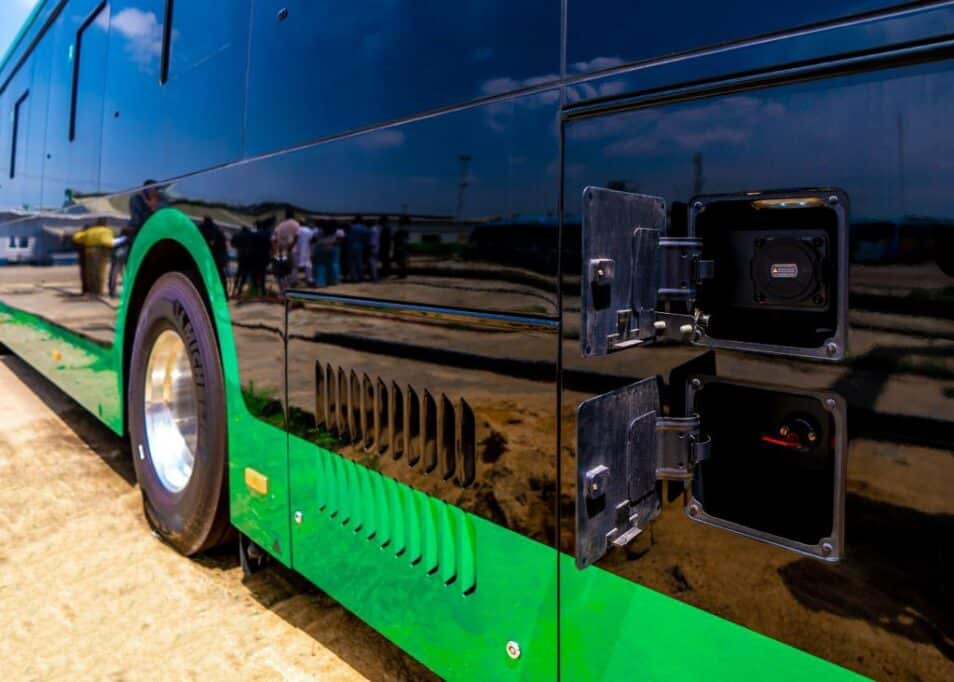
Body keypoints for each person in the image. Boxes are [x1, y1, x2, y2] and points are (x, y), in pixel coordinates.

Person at [110, 180, 161, 297]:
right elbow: (137, 220)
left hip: (147, 237)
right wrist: (151, 208)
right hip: (136, 239)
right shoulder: (136, 199)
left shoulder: (160, 199)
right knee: (126, 267)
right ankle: (121, 291)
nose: (154, 192)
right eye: (152, 189)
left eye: (155, 190)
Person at [72, 221, 114, 296]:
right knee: (100, 272)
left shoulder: (89, 231)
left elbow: (76, 238)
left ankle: (91, 290)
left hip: (89, 251)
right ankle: (98, 291)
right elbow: (108, 242)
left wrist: (82, 232)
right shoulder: (107, 230)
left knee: (90, 272)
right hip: (102, 251)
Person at [271, 209, 300, 293]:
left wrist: (274, 250)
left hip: (280, 251)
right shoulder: (296, 224)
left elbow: (273, 239)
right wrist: (290, 247)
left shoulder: (280, 225)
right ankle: (290, 290)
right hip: (290, 251)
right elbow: (297, 237)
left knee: (280, 272)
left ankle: (282, 290)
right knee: (291, 269)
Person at [198, 216, 229, 291]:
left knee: (205, 274)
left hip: (207, 255)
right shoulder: (217, 229)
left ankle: (207, 291)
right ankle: (222, 292)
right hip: (217, 256)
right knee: (219, 274)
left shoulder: (201, 228)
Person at [346, 215, 369, 282]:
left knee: (352, 263)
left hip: (351, 246)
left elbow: (348, 237)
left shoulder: (351, 227)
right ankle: (360, 277)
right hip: (360, 246)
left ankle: (354, 277)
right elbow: (366, 238)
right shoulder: (364, 228)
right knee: (359, 262)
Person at [296, 220, 315, 286]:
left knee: (295, 265)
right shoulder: (309, 230)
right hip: (307, 249)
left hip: (298, 249)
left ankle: (294, 280)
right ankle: (309, 279)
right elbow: (313, 239)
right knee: (308, 264)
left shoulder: (298, 230)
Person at [393, 214, 410, 278]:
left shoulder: (400, 231)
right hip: (404, 248)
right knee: (403, 262)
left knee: (401, 262)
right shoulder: (405, 230)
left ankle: (402, 274)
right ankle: (403, 274)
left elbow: (398, 239)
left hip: (400, 248)